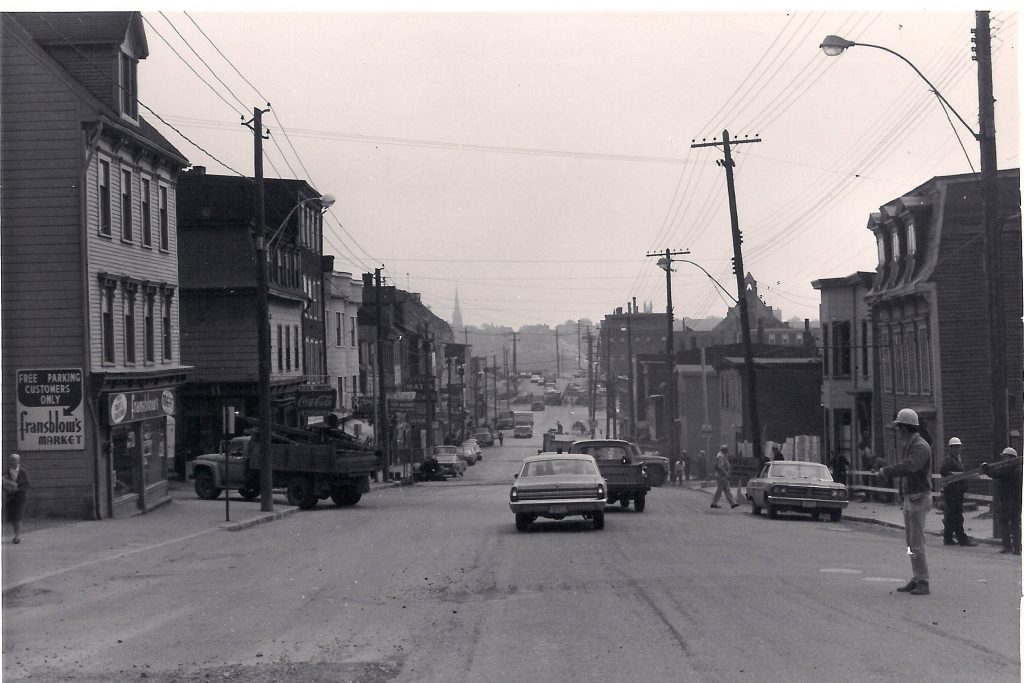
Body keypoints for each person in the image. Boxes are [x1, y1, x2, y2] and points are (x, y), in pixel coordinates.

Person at [877, 409, 932, 596]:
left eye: (899, 427)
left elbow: (910, 466)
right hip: (911, 497)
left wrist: (886, 471)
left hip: (919, 497)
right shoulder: (910, 444)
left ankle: (923, 580)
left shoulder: (920, 447)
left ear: (906, 427)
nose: (898, 431)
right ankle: (916, 577)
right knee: (910, 542)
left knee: (917, 542)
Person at [981, 447, 1022, 555]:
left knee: (1004, 522)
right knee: (1015, 524)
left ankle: (1007, 546)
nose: (1003, 458)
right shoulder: (1017, 468)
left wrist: (986, 468)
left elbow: (996, 474)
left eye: (1004, 456)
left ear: (1009, 457)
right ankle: (1017, 548)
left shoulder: (1009, 468)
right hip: (1016, 501)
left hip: (1007, 500)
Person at [939, 437, 976, 547]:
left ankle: (948, 538)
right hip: (952, 492)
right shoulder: (948, 460)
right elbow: (943, 471)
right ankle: (962, 539)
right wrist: (956, 475)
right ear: (950, 448)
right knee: (957, 516)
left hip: (957, 491)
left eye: (958, 447)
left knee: (951, 515)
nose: (957, 449)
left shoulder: (957, 459)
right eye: (955, 447)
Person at [3, 453, 29, 544]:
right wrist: (7, 489)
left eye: (13, 460)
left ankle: (17, 536)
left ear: (18, 461)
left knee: (18, 516)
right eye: (10, 460)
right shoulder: (6, 472)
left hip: (20, 498)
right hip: (10, 498)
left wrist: (18, 489)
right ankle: (15, 534)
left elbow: (27, 484)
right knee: (13, 517)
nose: (12, 462)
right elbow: (2, 484)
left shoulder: (23, 472)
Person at [710, 444, 739, 509]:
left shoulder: (721, 455)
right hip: (722, 475)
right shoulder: (721, 456)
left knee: (726, 490)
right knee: (720, 490)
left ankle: (732, 503)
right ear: (724, 450)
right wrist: (725, 473)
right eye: (726, 450)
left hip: (722, 475)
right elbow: (720, 466)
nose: (727, 451)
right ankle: (714, 503)